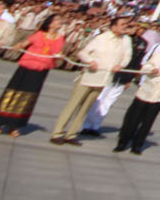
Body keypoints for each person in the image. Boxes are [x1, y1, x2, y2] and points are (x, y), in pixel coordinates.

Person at [50, 15, 132, 145]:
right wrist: (90, 61)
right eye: (122, 24)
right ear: (113, 26)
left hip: (104, 79)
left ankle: (71, 134)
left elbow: (127, 56)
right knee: (73, 105)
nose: (125, 27)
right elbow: (82, 53)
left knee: (86, 108)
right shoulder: (101, 38)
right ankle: (57, 132)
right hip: (89, 76)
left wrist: (121, 65)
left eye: (126, 24)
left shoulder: (126, 40)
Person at [0, 13, 66, 136]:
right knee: (12, 93)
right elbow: (24, 43)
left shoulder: (60, 38)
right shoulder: (39, 34)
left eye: (60, 20)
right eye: (57, 20)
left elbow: (58, 52)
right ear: (50, 23)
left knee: (28, 97)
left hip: (40, 71)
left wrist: (60, 55)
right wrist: (17, 46)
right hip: (26, 67)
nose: (59, 22)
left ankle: (15, 126)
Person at [112, 34, 160, 154]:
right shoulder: (158, 55)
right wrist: (151, 70)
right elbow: (145, 67)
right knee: (134, 118)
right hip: (147, 90)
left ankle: (137, 145)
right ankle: (123, 142)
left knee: (148, 121)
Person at [81, 20, 148, 135]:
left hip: (124, 75)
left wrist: (130, 78)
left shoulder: (142, 43)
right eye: (134, 27)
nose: (139, 30)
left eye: (143, 29)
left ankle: (95, 125)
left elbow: (136, 62)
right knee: (98, 99)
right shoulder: (122, 39)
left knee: (109, 101)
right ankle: (87, 124)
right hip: (112, 72)